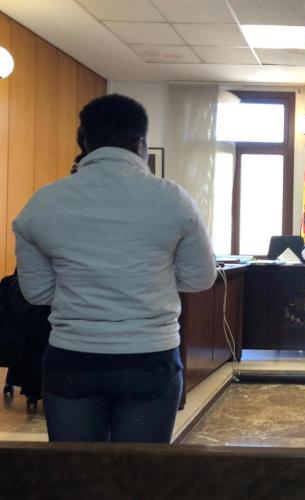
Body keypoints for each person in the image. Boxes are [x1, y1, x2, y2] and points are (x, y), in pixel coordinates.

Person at [13, 94, 216, 443]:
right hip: (149, 357)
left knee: (75, 471)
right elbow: (200, 277)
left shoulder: (43, 203)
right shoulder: (172, 198)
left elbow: (37, 293)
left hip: (72, 357)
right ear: (142, 143)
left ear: (84, 140)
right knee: (137, 471)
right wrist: (150, 279)